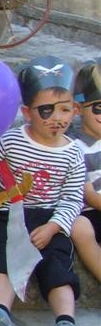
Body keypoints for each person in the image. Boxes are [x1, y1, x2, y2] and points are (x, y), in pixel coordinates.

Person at [0, 56, 87, 326]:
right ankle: (0, 315)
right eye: (47, 110)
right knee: (4, 257)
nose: (57, 118)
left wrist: (53, 226)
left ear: (75, 109)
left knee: (56, 263)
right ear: (27, 112)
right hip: (9, 213)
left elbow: (72, 199)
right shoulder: (12, 140)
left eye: (66, 109)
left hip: (50, 217)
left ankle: (65, 323)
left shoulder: (73, 154)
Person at [71, 60, 101, 283]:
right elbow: (88, 194)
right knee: (81, 230)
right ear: (79, 108)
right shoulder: (75, 146)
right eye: (98, 107)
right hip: (92, 211)